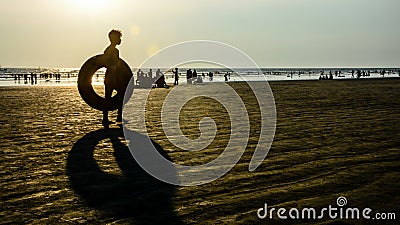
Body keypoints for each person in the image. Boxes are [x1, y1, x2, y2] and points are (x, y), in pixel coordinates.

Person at [102, 29, 123, 128]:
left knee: (108, 96)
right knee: (122, 94)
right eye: (119, 38)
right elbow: (113, 64)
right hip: (113, 76)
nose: (120, 40)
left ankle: (105, 118)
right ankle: (118, 117)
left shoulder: (107, 49)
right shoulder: (114, 50)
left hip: (108, 76)